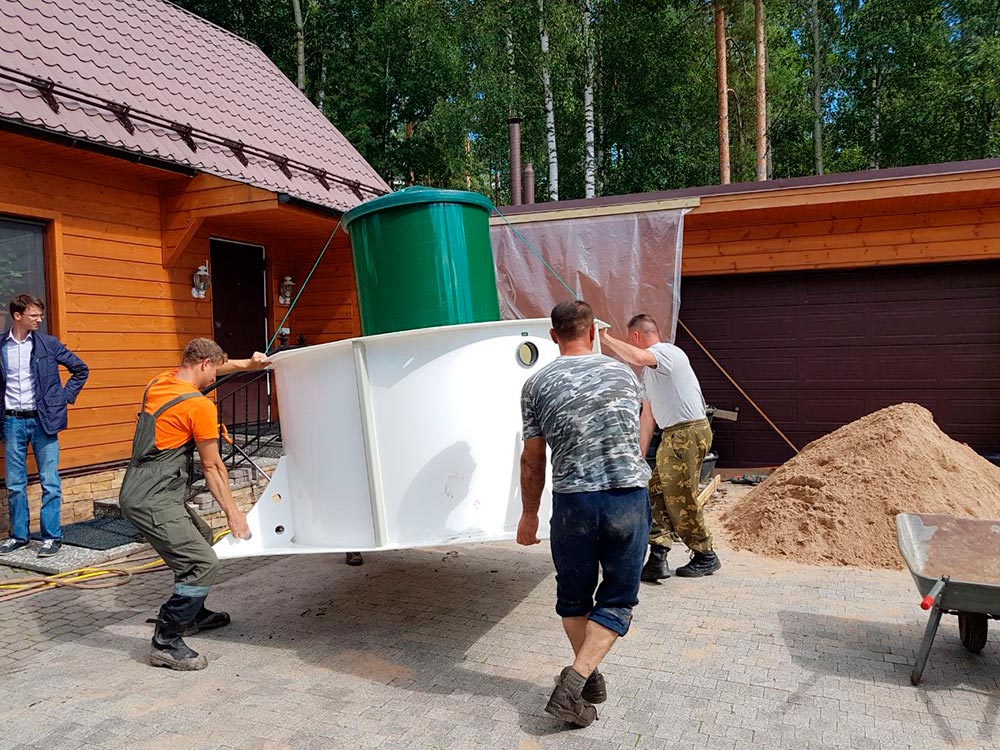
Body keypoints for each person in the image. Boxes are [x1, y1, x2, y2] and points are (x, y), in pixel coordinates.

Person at [517, 300, 651, 727]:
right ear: (593, 332)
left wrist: (528, 515)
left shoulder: (535, 385)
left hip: (573, 503)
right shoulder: (624, 374)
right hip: (626, 498)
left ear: (553, 336)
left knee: (574, 598)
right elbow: (635, 427)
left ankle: (582, 679)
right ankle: (576, 681)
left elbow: (532, 459)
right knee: (617, 599)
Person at [118, 338, 268, 671]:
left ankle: (193, 615)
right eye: (214, 371)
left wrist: (248, 365)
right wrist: (234, 514)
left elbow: (217, 366)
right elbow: (213, 467)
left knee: (201, 537)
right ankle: (166, 641)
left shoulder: (161, 382)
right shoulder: (199, 406)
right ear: (204, 364)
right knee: (202, 563)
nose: (214, 379)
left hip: (146, 489)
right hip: (151, 498)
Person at [600, 314, 721, 580]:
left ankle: (705, 555)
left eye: (629, 340)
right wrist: (639, 455)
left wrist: (605, 339)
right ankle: (658, 556)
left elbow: (637, 356)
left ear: (636, 336)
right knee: (655, 491)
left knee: (680, 497)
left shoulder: (667, 352)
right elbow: (647, 416)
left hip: (687, 433)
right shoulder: (650, 373)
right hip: (673, 435)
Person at [0, 294, 89, 558]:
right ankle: (19, 536)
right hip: (11, 420)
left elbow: (80, 369)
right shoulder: (1, 346)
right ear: (17, 316)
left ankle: (51, 538)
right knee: (15, 483)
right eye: (34, 315)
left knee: (50, 481)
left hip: (43, 420)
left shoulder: (48, 344)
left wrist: (63, 397)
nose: (39, 319)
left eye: (40, 315)